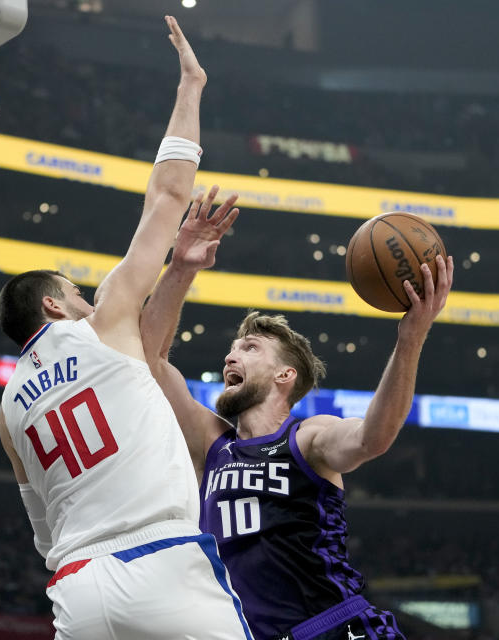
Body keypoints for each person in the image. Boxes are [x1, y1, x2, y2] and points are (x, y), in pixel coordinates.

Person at [0, 17, 251, 640]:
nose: (87, 299)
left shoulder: (7, 411)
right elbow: (167, 197)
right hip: (160, 563)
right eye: (74, 294)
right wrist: (191, 87)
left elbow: (43, 531)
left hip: (78, 589)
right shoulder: (102, 322)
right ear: (53, 306)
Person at [140, 188, 454, 640]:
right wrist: (182, 267)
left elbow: (373, 437)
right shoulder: (212, 444)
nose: (231, 357)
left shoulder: (308, 438)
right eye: (232, 349)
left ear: (285, 375)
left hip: (336, 628)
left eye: (249, 348)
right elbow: (148, 359)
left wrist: (411, 337)